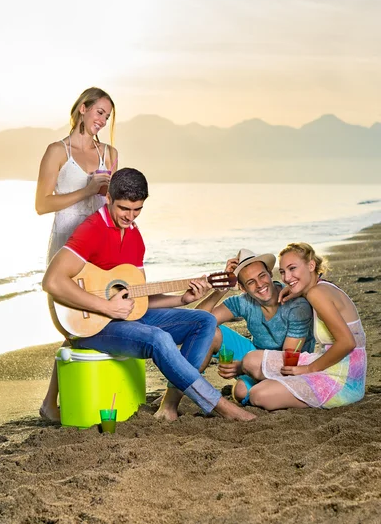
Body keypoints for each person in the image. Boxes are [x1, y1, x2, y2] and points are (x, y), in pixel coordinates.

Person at [42, 168, 256, 422]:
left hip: (126, 320)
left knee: (204, 320)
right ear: (108, 198)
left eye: (137, 210)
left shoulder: (135, 237)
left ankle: (169, 405)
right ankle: (218, 404)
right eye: (124, 209)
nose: (130, 217)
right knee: (158, 338)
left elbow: (138, 298)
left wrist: (183, 299)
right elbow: (52, 281)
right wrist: (106, 307)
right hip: (92, 327)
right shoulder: (92, 230)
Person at [36, 87, 117, 421]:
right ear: (82, 108)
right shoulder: (57, 151)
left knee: (93, 322)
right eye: (99, 112)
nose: (102, 121)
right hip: (67, 246)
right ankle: (50, 402)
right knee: (73, 326)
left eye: (107, 117)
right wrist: (85, 190)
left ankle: (66, 399)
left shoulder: (110, 153)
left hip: (99, 248)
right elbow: (42, 204)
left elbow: (112, 203)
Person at [243, 243, 366, 410]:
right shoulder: (319, 287)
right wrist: (296, 291)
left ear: (311, 265)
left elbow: (347, 343)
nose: (286, 278)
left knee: (259, 395)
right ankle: (280, 385)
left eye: (292, 268)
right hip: (330, 362)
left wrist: (308, 369)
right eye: (283, 272)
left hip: (343, 380)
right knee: (251, 360)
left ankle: (277, 385)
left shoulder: (317, 293)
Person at [197, 249, 314, 405]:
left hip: (290, 366)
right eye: (250, 282)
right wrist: (223, 287)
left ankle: (257, 382)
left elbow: (288, 361)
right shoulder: (244, 301)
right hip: (255, 357)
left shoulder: (296, 306)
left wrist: (243, 367)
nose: (260, 285)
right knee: (208, 331)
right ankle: (183, 386)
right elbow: (196, 322)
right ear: (243, 288)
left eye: (262, 276)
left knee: (241, 392)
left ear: (270, 274)